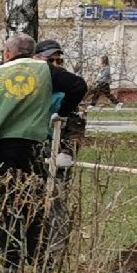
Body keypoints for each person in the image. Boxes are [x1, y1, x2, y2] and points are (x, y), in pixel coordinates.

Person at [0, 35, 59, 270]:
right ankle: (39, 260)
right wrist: (61, 113)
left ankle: (10, 261)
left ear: (7, 53)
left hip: (0, 149)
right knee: (35, 204)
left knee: (3, 205)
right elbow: (79, 86)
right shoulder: (45, 72)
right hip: (33, 148)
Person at [35, 39, 90, 179]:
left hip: (57, 151)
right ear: (36, 59)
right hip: (31, 149)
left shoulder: (70, 89)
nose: (55, 65)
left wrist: (67, 152)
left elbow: (77, 126)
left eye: (59, 61)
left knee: (55, 196)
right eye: (50, 60)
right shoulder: (29, 85)